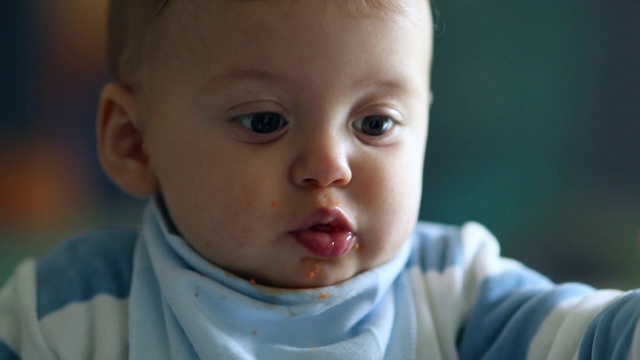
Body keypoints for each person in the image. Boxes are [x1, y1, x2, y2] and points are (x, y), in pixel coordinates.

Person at [1, 0, 639, 358]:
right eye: (264, 120)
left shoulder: (458, 296)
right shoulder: (70, 311)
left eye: (375, 124)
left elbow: (599, 336)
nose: (331, 166)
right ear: (134, 143)